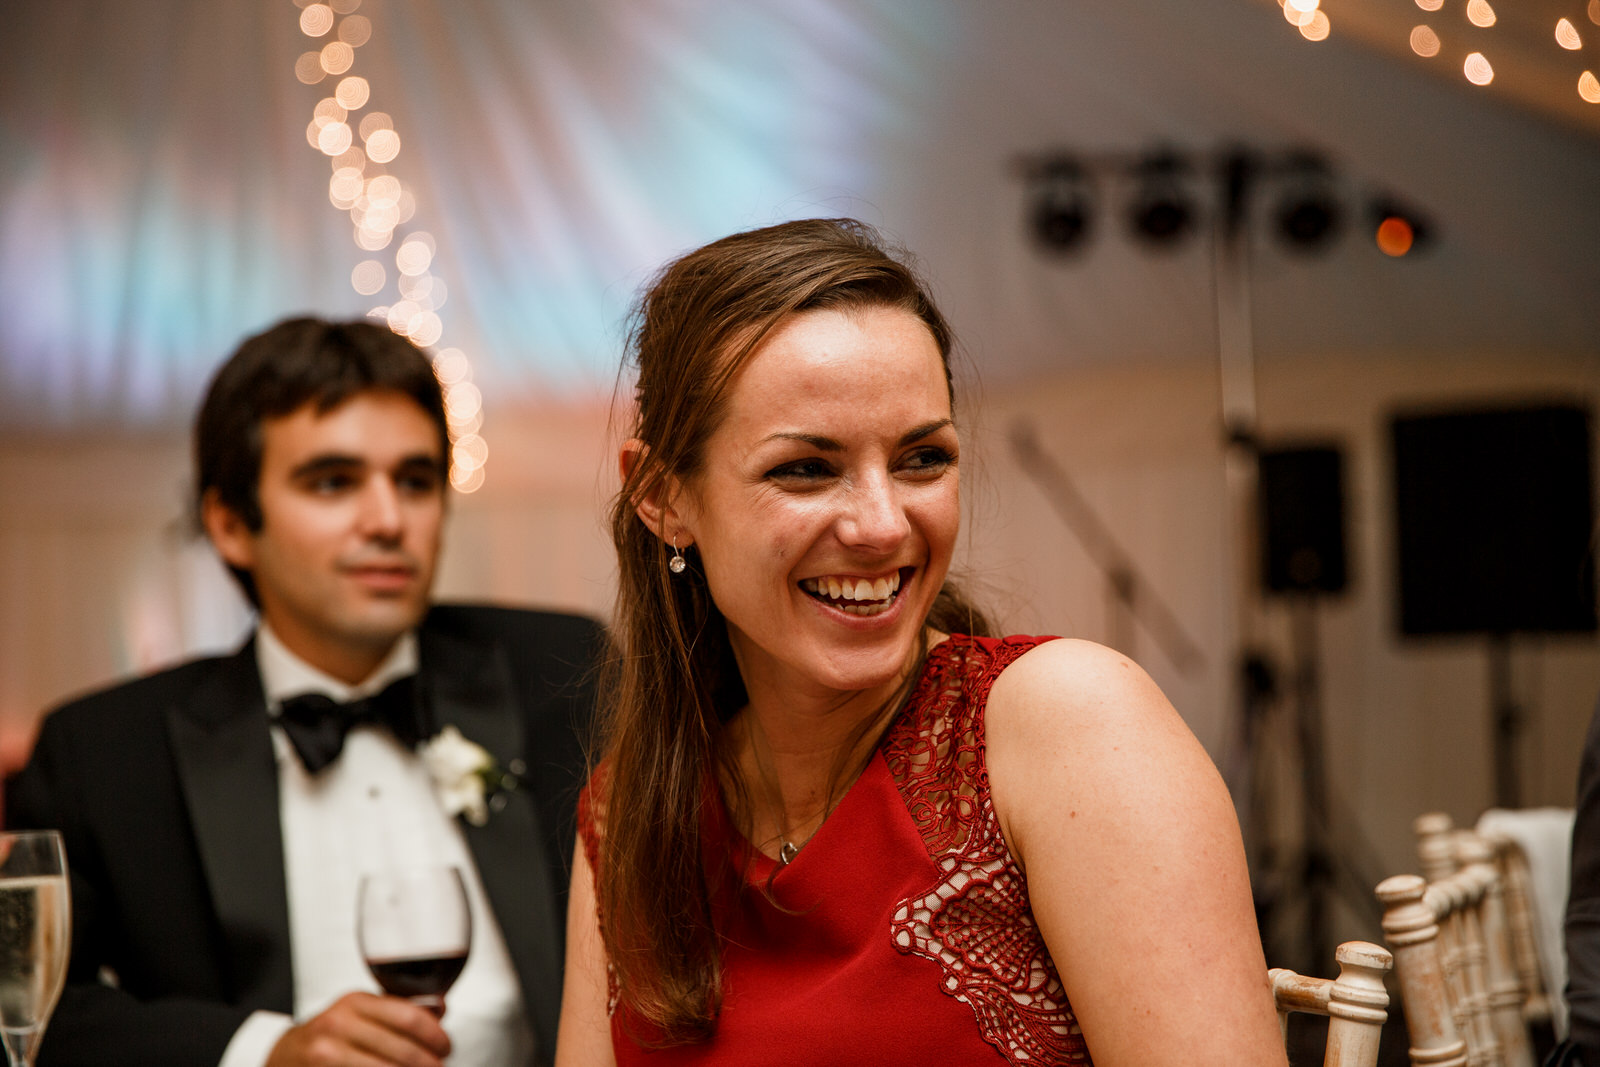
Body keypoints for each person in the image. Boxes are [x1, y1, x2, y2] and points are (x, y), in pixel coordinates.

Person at [554, 218, 1285, 1066]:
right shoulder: (627, 814)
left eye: (921, 459)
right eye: (805, 468)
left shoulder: (1071, 723)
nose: (881, 524)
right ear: (663, 497)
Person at [5, 317, 601, 1067]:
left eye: (415, 481)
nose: (389, 520)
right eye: (333, 482)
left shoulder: (564, 670)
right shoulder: (105, 752)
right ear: (229, 523)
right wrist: (264, 1051)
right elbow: (24, 1004)